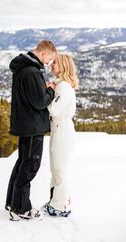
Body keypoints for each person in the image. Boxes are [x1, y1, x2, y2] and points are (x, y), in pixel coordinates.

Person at [5, 40, 57, 221]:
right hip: (32, 125)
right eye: (50, 59)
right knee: (30, 165)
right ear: (43, 54)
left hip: (25, 123)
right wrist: (50, 90)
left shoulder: (24, 68)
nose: (49, 63)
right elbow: (40, 101)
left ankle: (12, 203)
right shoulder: (32, 72)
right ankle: (21, 208)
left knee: (22, 163)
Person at [42, 54, 79, 217]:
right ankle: (55, 202)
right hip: (58, 128)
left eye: (55, 62)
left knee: (59, 169)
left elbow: (54, 109)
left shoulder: (63, 87)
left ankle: (61, 206)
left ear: (63, 65)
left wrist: (48, 90)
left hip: (62, 129)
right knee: (56, 168)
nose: (51, 65)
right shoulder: (60, 84)